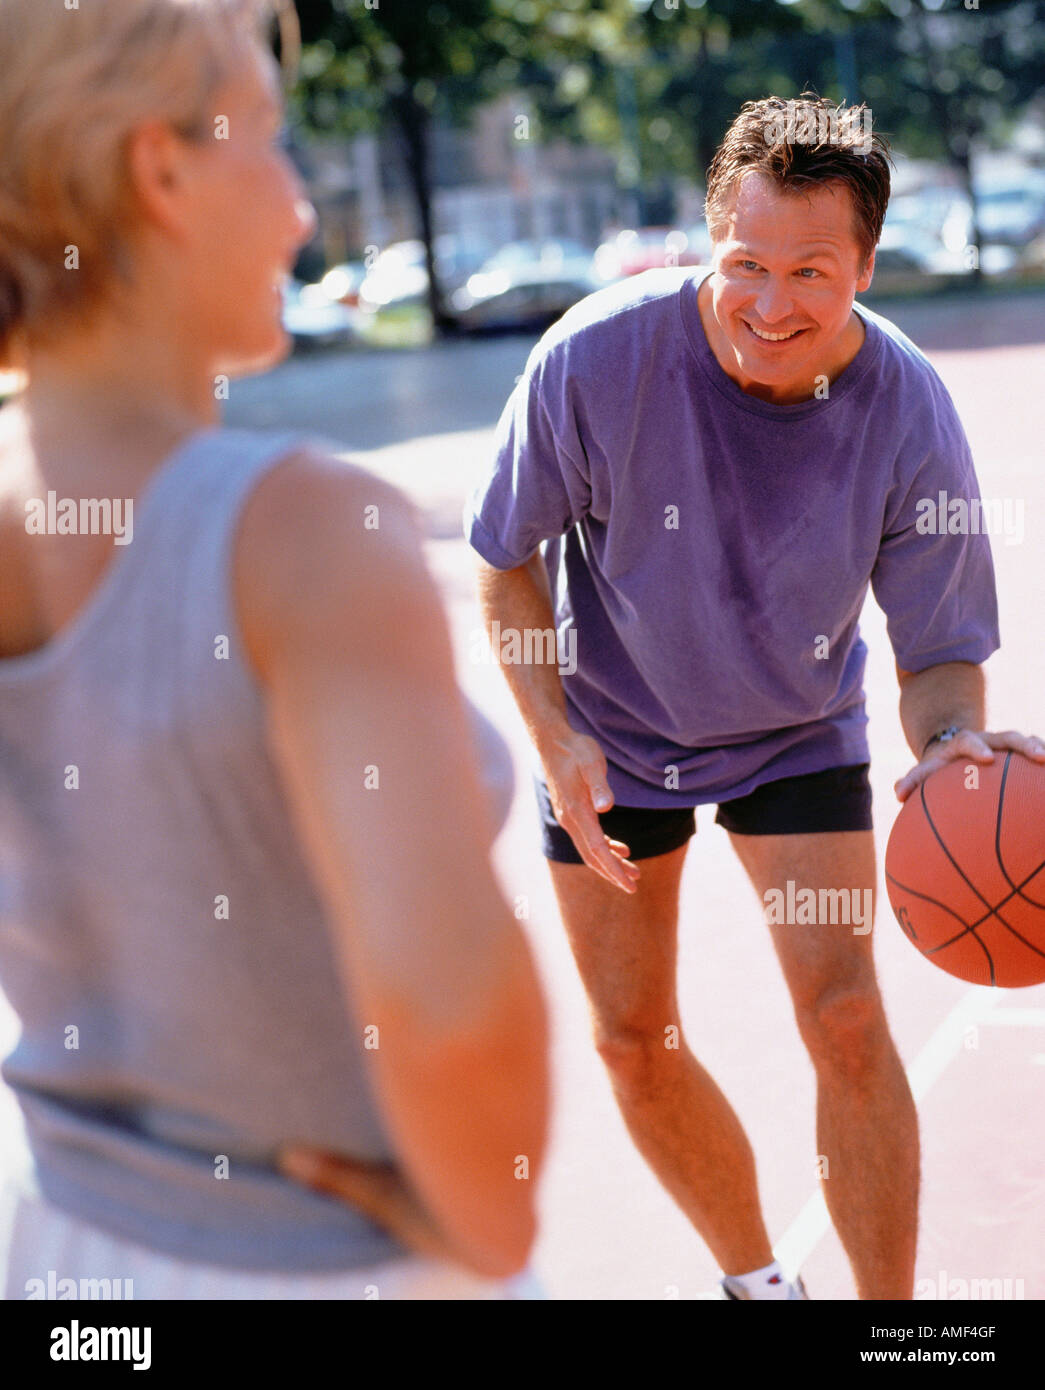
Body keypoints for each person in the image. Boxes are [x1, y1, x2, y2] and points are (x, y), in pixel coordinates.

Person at [0, 0, 548, 1300]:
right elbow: (439, 1003)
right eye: (273, 136)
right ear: (164, 166)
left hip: (69, 1262)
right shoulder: (305, 534)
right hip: (330, 1261)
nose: (302, 206)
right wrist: (490, 1228)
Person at [465, 93, 1045, 1301]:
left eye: (811, 272)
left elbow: (938, 648)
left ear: (867, 267)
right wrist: (552, 734)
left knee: (842, 1017)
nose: (771, 305)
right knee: (633, 1043)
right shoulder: (592, 359)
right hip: (610, 735)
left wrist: (949, 747)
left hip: (797, 734)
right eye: (746, 263)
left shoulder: (907, 410)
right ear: (707, 237)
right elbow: (503, 555)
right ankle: (757, 1283)